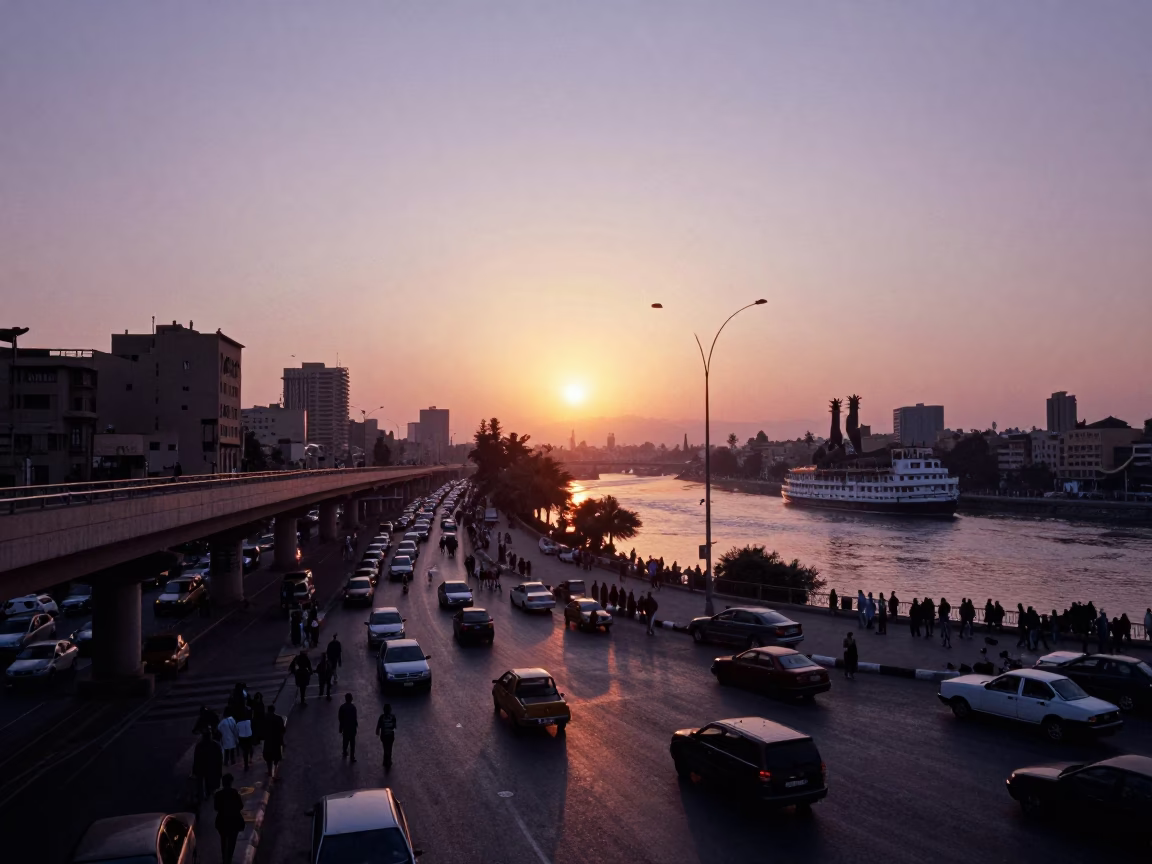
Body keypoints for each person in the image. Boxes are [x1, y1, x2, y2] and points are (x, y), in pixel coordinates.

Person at [214, 773, 245, 863]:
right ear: (231, 782)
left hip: (222, 821)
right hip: (234, 821)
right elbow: (241, 806)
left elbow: (216, 808)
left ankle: (224, 859)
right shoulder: (234, 792)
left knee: (223, 840)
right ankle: (229, 858)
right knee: (232, 841)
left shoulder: (218, 794)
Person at [192, 731, 223, 805]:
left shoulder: (199, 746)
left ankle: (206, 794)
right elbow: (220, 757)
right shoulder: (215, 745)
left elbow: (196, 758)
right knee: (211, 781)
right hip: (212, 767)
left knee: (205, 780)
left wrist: (195, 770)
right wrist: (219, 768)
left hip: (203, 767)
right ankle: (211, 793)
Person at [263, 706, 285, 777]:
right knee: (276, 756)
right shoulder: (279, 718)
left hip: (268, 740)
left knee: (268, 757)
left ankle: (269, 771)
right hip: (276, 740)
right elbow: (283, 730)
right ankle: (275, 771)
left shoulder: (264, 718)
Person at [376, 703, 398, 768]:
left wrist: (377, 732)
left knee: (385, 747)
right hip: (391, 736)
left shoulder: (381, 717)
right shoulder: (393, 717)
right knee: (390, 747)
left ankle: (385, 760)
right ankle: (389, 759)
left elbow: (378, 726)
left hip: (384, 736)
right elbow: (395, 726)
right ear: (390, 710)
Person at [338, 693, 358, 762]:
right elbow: (355, 718)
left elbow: (340, 718)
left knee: (345, 741)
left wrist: (341, 727)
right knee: (352, 743)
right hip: (352, 728)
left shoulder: (342, 707)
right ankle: (352, 757)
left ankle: (344, 751)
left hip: (345, 728)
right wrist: (355, 727)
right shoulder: (353, 707)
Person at [235, 704, 254, 770]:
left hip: (242, 738)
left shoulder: (238, 724)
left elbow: (236, 732)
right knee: (250, 748)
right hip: (249, 736)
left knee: (245, 751)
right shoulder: (249, 722)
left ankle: (246, 764)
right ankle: (251, 759)